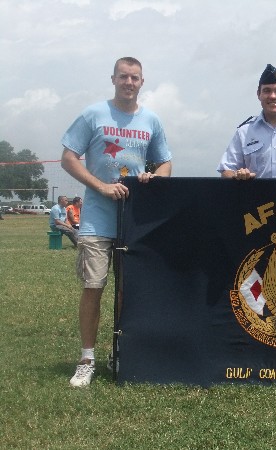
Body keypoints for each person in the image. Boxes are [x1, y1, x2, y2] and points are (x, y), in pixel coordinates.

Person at [61, 56, 172, 387]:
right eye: (123, 76)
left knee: (129, 290)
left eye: (135, 77)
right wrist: (102, 187)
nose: (129, 82)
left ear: (142, 82)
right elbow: (68, 159)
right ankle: (86, 358)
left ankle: (124, 352)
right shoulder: (93, 114)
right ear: (113, 79)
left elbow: (165, 162)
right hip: (96, 218)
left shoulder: (152, 120)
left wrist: (155, 178)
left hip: (133, 223)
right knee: (94, 287)